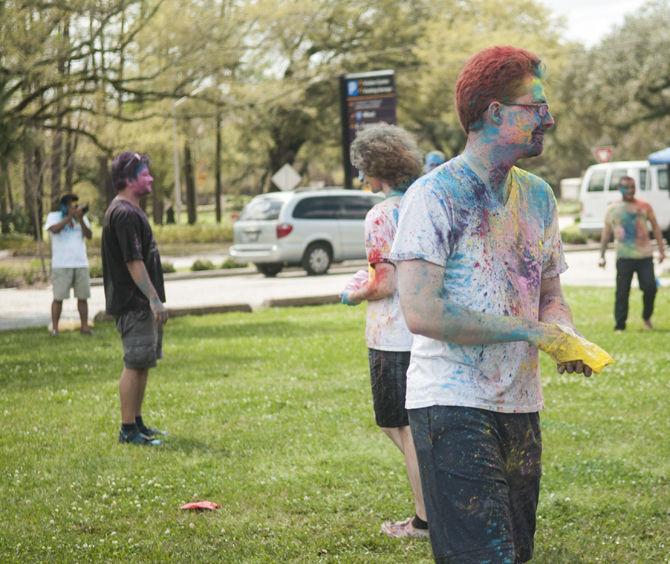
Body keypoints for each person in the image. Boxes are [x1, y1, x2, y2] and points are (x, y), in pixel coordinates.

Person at [390, 46, 593, 562]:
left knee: (516, 552)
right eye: (536, 105)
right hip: (451, 403)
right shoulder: (433, 196)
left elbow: (549, 294)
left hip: (521, 404)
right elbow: (423, 313)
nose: (548, 117)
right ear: (494, 112)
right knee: (484, 555)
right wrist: (530, 332)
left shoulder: (539, 196)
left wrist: (563, 332)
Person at [342, 124, 429, 539]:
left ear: (375, 170)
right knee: (414, 426)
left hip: (392, 336)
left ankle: (424, 519)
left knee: (400, 426)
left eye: (363, 171)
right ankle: (433, 508)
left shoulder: (380, 214)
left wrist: (357, 292)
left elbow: (386, 282)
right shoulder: (423, 201)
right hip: (425, 328)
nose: (362, 180)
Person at [102, 151, 168, 446]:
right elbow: (133, 261)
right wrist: (153, 299)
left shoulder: (131, 211)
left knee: (143, 363)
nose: (150, 178)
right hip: (134, 302)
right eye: (144, 174)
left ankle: (137, 422)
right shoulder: (125, 214)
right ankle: (127, 429)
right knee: (134, 363)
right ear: (128, 180)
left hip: (141, 302)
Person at [599, 175, 666, 331]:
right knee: (622, 292)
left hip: (645, 256)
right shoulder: (612, 209)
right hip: (624, 258)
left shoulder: (645, 206)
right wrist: (601, 256)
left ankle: (647, 318)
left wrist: (661, 251)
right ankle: (620, 326)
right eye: (626, 187)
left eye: (632, 187)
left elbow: (655, 228)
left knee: (650, 288)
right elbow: (606, 233)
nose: (630, 190)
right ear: (619, 189)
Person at [44, 193, 93, 336]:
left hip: (80, 263)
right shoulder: (54, 216)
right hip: (61, 264)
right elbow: (54, 230)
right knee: (58, 298)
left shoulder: (82, 218)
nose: (76, 208)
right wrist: (69, 218)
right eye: (73, 206)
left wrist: (81, 220)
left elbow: (89, 235)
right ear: (65, 206)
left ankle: (85, 327)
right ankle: (55, 328)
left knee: (83, 297)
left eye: (77, 206)